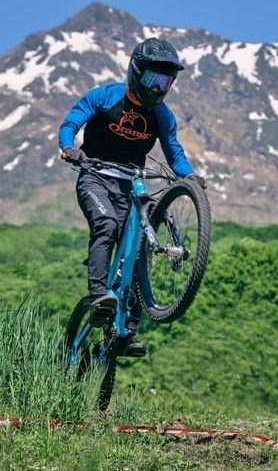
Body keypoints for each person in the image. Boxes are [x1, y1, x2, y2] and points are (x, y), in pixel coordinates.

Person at [58, 37, 206, 357]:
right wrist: (69, 148)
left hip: (131, 186)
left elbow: (174, 154)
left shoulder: (163, 116)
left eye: (166, 80)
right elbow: (71, 122)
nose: (158, 87)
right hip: (95, 178)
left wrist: (189, 176)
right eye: (153, 78)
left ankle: (126, 331)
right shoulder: (105, 96)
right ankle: (99, 296)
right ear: (135, 72)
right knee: (106, 225)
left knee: (141, 249)